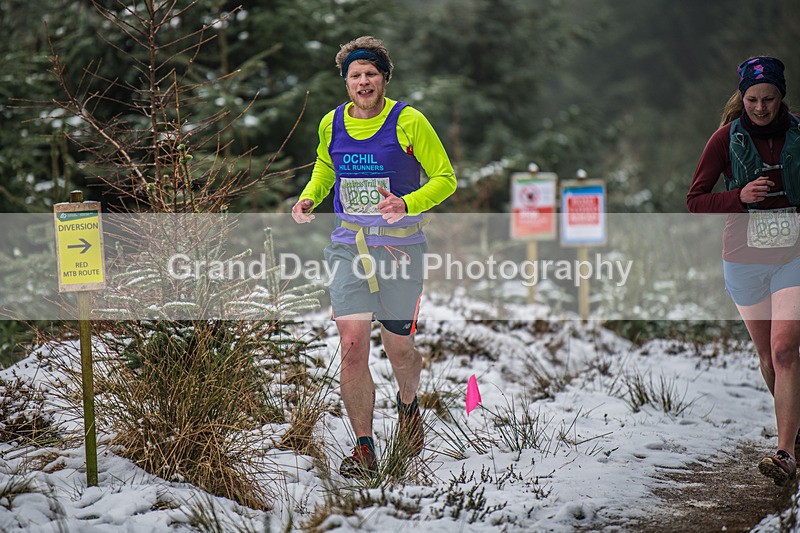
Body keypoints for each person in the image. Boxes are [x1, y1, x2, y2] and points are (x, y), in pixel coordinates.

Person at [292, 36, 457, 478]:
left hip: (400, 248)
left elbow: (445, 178)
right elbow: (326, 167)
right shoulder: (332, 122)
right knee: (351, 346)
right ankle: (364, 447)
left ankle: (408, 404)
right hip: (349, 246)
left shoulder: (409, 121)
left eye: (370, 74)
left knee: (399, 348)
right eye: (355, 76)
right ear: (346, 83)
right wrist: (310, 198)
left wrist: (407, 203)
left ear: (384, 78)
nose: (363, 81)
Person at [687, 56, 800, 486]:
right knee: (769, 358)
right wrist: (739, 196)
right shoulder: (724, 139)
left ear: (781, 95)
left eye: (768, 99)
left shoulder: (798, 132)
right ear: (742, 97)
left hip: (794, 255)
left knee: (786, 349)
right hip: (744, 259)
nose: (760, 107)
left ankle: (785, 452)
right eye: (752, 99)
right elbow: (695, 201)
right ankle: (797, 429)